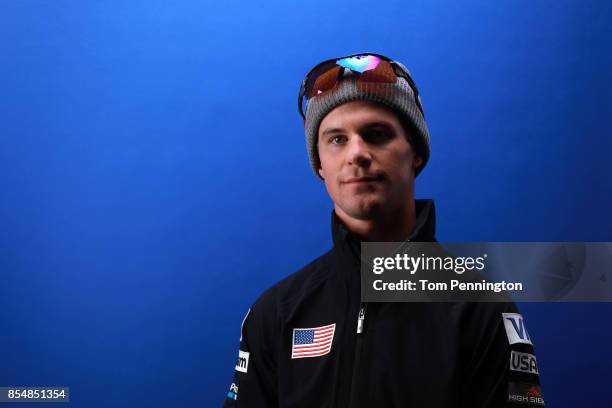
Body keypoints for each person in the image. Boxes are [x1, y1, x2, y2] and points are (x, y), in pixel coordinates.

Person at [223, 53, 544, 407]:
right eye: (337, 140)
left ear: (416, 153)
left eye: (377, 135)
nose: (357, 153)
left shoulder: (480, 309)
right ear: (319, 166)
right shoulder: (276, 313)